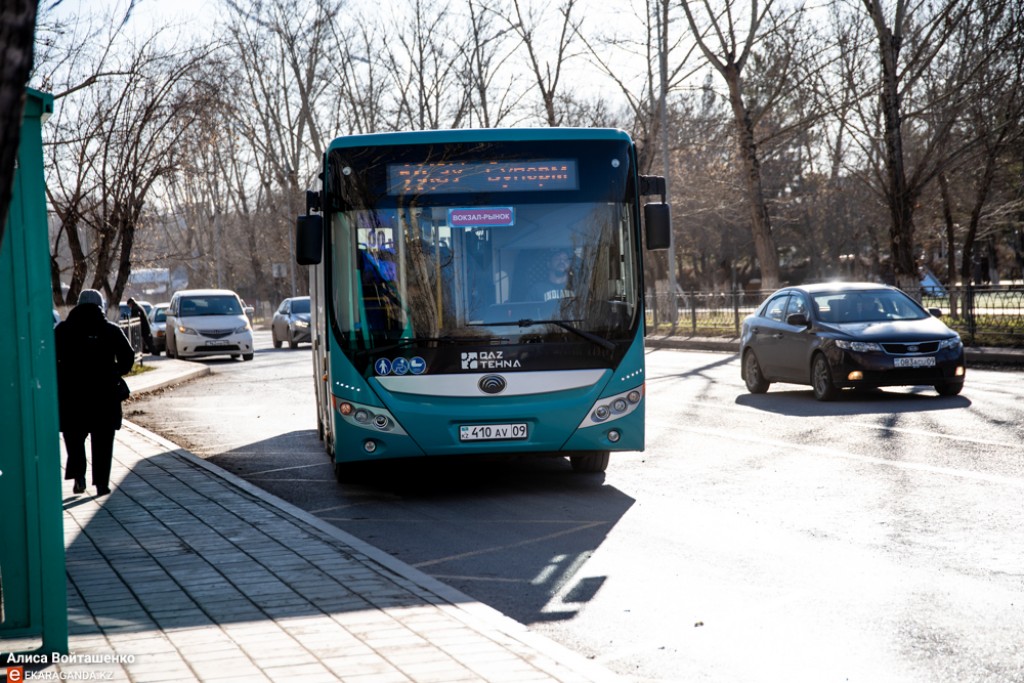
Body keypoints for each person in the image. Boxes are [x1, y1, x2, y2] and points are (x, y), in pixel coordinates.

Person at [55, 289, 136, 496]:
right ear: (100, 306)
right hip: (105, 396)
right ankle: (101, 483)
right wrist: (114, 372)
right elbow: (128, 357)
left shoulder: (63, 330)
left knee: (74, 438)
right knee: (103, 441)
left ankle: (79, 477)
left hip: (72, 397)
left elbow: (49, 360)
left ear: (78, 305)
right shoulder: (111, 330)